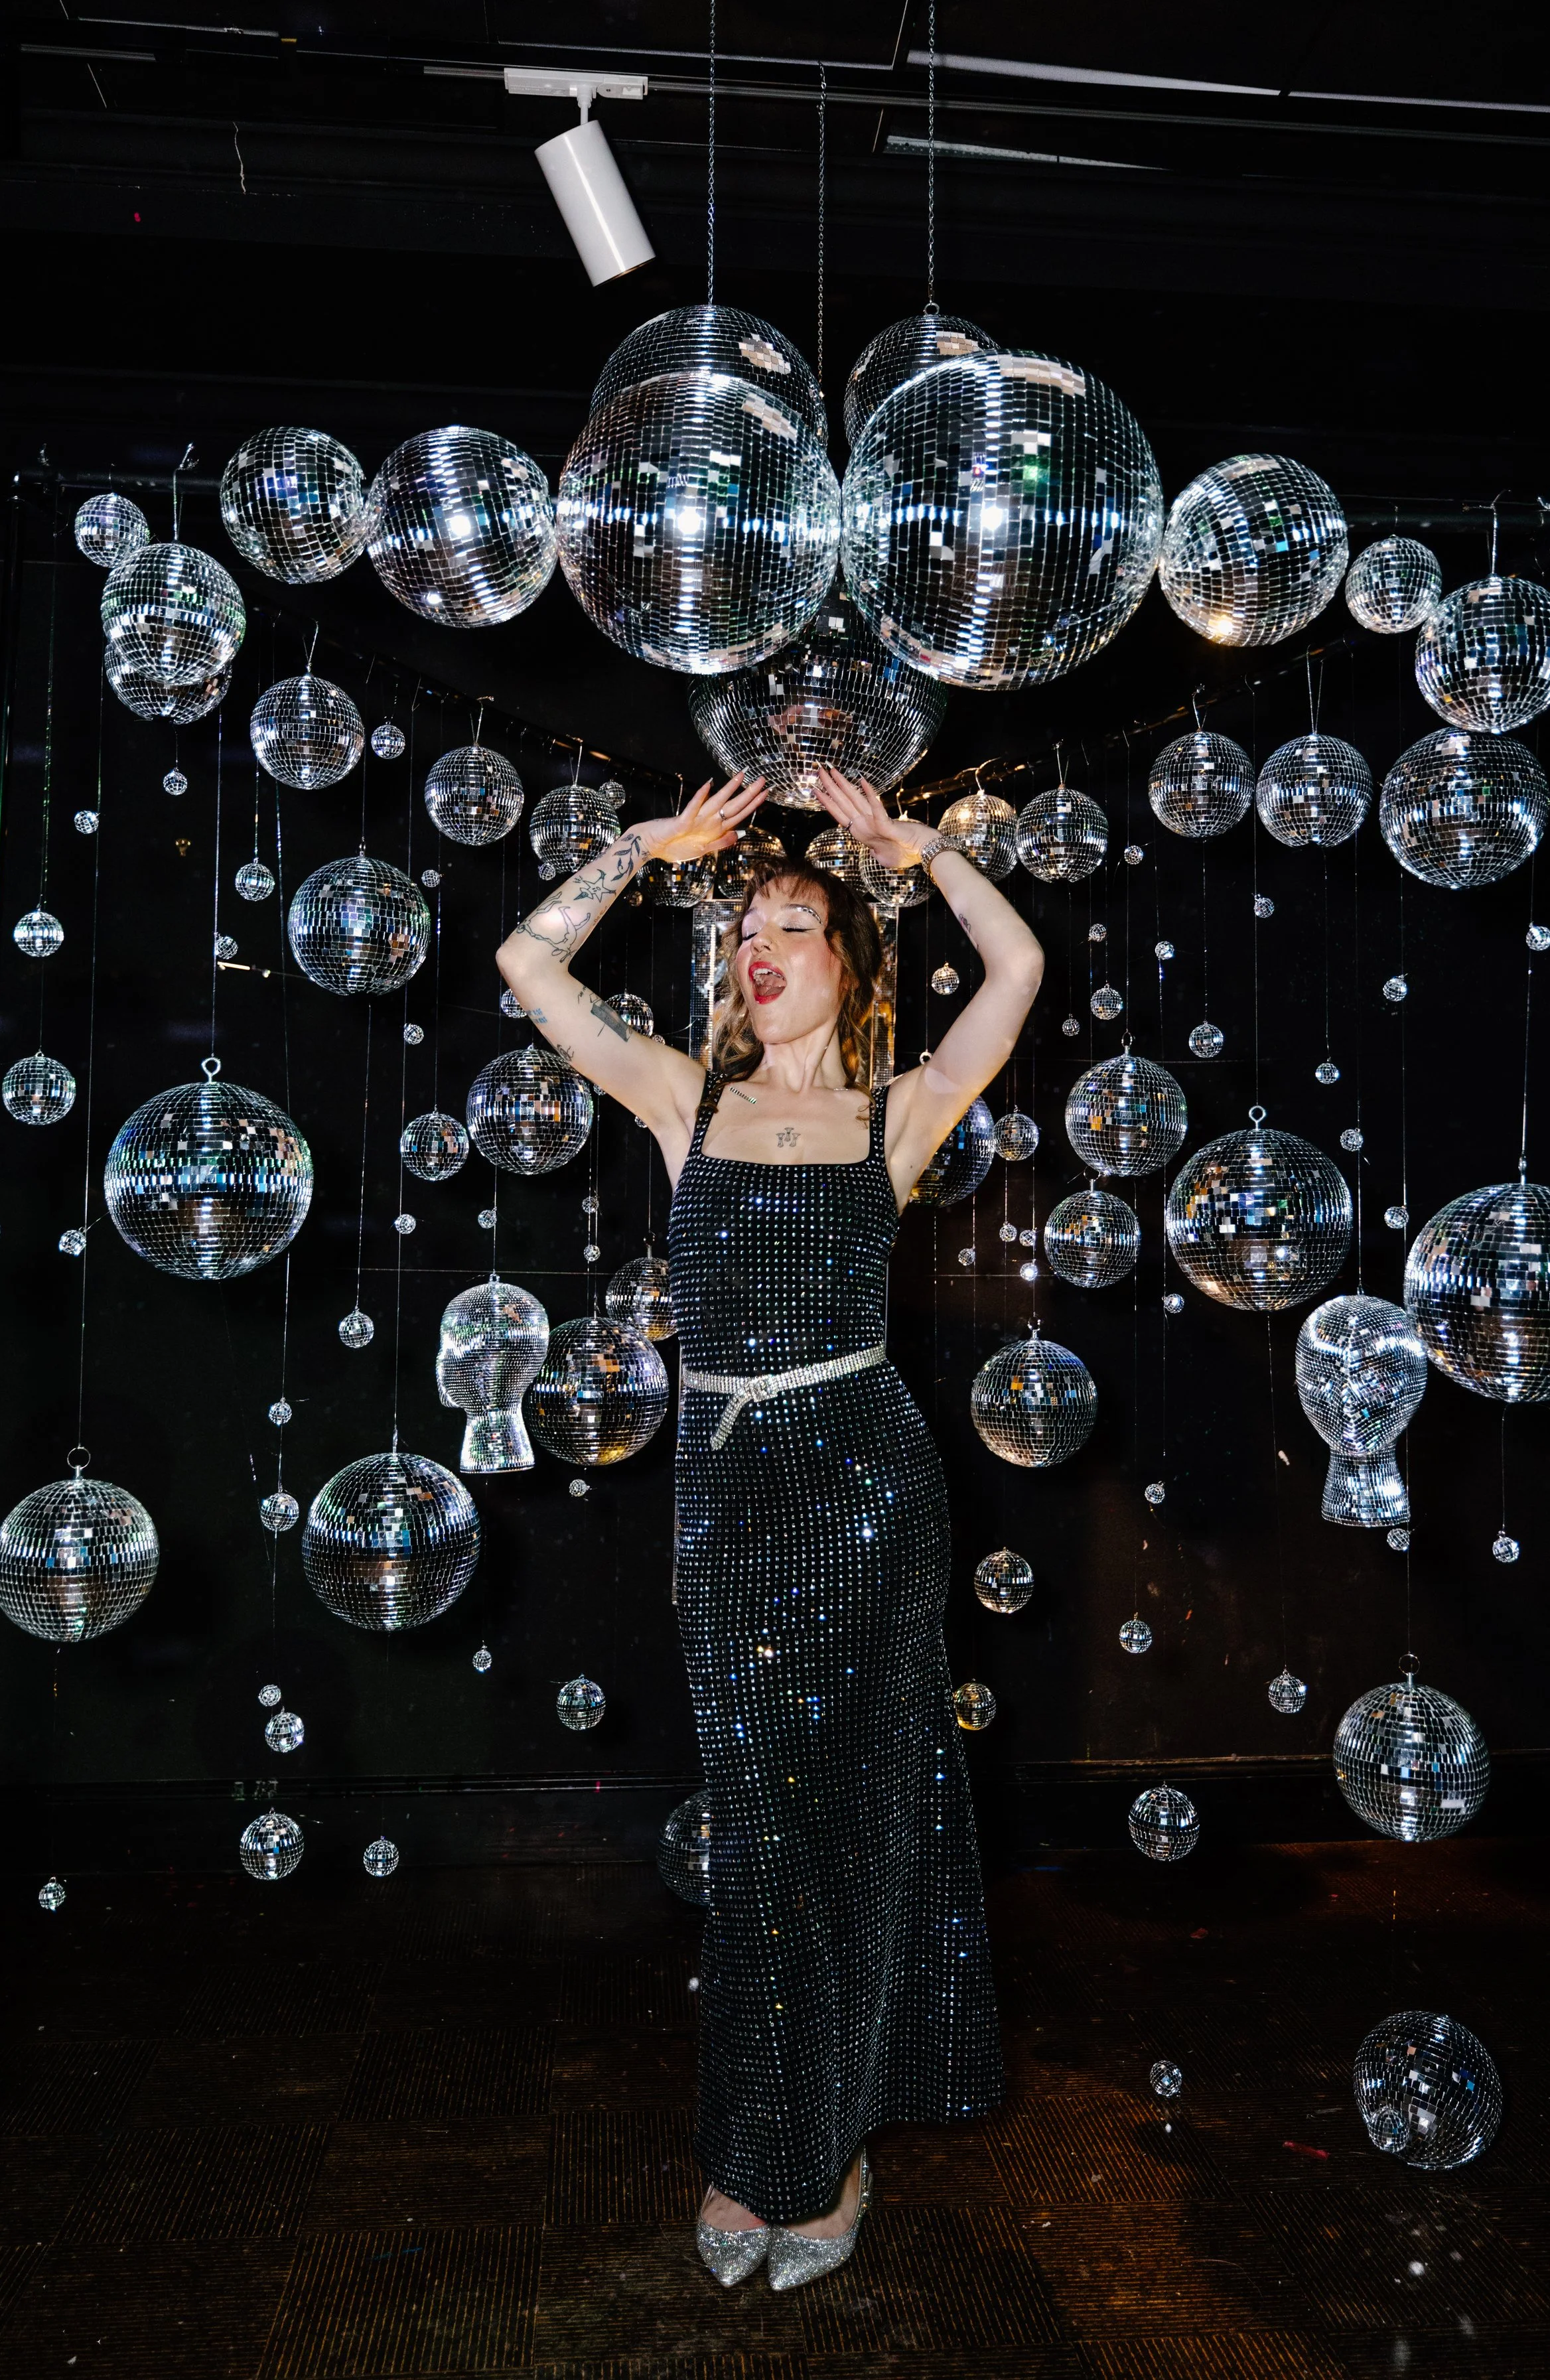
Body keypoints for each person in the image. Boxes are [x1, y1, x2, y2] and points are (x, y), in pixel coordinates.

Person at [497, 766, 1044, 2290]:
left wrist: (911, 850)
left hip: (863, 1474)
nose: (763, 934)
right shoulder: (687, 1096)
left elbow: (1015, 970)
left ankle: (827, 2153)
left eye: (797, 919)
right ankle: (758, 2143)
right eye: (749, 918)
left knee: (850, 1822)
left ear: (849, 966)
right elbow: (530, 967)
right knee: (757, 1825)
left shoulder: (897, 1114)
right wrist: (639, 849)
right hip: (730, 1488)